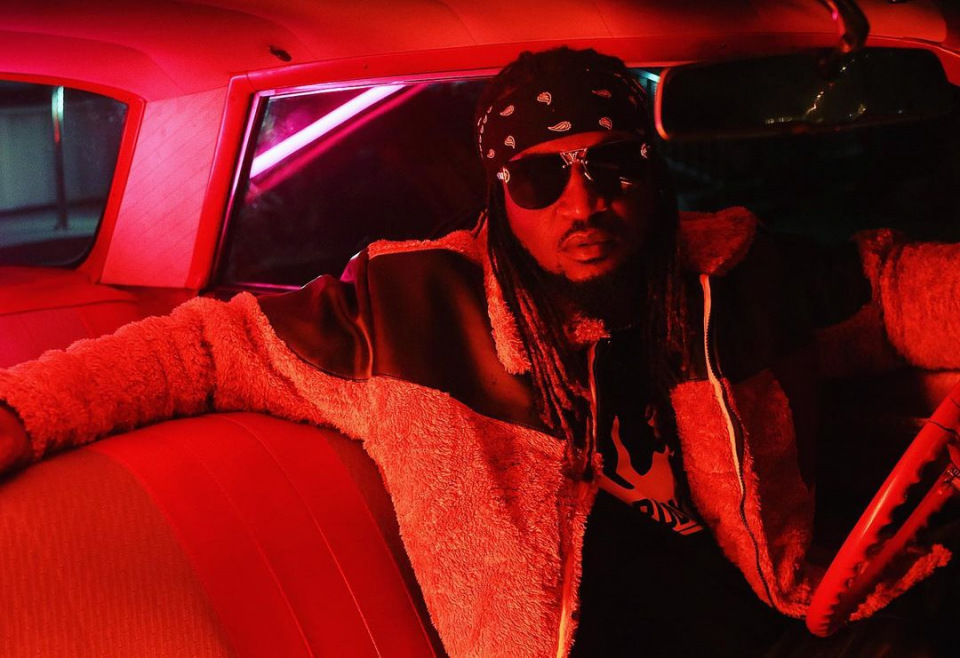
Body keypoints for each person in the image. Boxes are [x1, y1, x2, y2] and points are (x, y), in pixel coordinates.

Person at [1, 47, 960, 657]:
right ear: (500, 191)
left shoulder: (732, 275)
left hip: (776, 621)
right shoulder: (411, 310)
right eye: (541, 178)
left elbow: (895, 287)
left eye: (611, 166)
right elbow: (202, 348)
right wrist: (17, 413)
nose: (583, 203)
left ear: (651, 173)